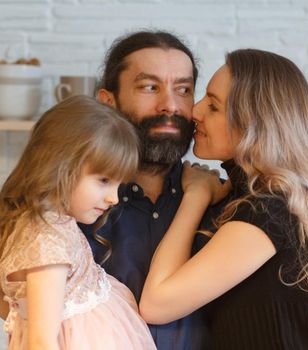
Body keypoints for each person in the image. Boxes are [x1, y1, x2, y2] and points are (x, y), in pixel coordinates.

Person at [139, 49, 308, 349]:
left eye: (213, 106)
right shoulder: (252, 198)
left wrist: (196, 196)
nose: (195, 111)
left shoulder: (269, 210)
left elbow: (157, 303)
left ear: (253, 125)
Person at [0, 95, 156, 350]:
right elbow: (42, 343)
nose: (113, 197)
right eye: (104, 180)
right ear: (60, 164)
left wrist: (27, 325)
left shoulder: (30, 220)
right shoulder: (49, 241)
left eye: (119, 184)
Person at [79, 30, 214, 350]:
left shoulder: (224, 203)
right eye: (150, 87)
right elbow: (8, 297)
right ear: (107, 102)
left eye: (183, 89)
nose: (170, 105)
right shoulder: (74, 205)